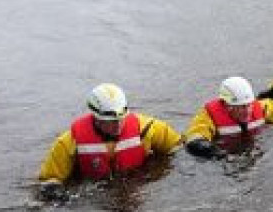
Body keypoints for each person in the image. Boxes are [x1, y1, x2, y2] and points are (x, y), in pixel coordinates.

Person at [38, 83, 182, 197]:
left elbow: (178, 147)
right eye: (111, 120)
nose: (118, 124)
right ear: (96, 117)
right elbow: (50, 178)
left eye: (121, 118)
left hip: (134, 187)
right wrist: (52, 189)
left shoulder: (146, 128)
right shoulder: (69, 141)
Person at [184, 76, 273, 159]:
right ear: (226, 105)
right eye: (240, 106)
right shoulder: (209, 116)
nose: (247, 110)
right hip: (225, 154)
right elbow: (196, 135)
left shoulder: (259, 106)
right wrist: (207, 148)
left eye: (248, 105)